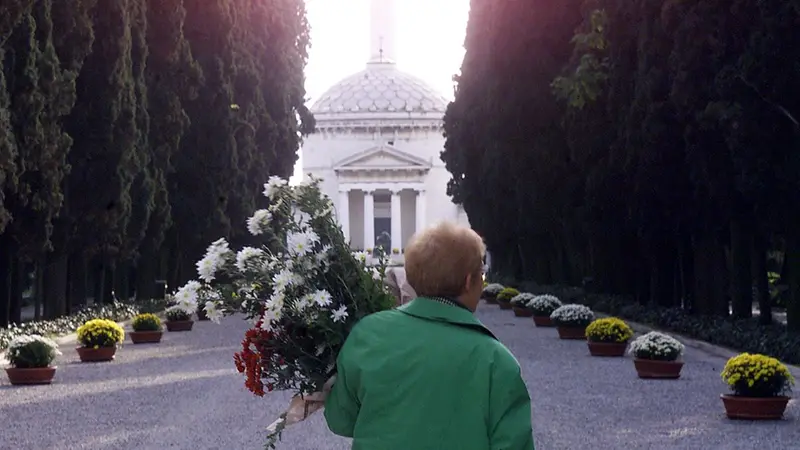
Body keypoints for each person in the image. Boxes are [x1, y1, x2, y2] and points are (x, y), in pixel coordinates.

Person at [324, 222, 535, 449]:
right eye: (480, 276)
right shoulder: (496, 360)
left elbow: (340, 420)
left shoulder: (367, 334)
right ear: (467, 282)